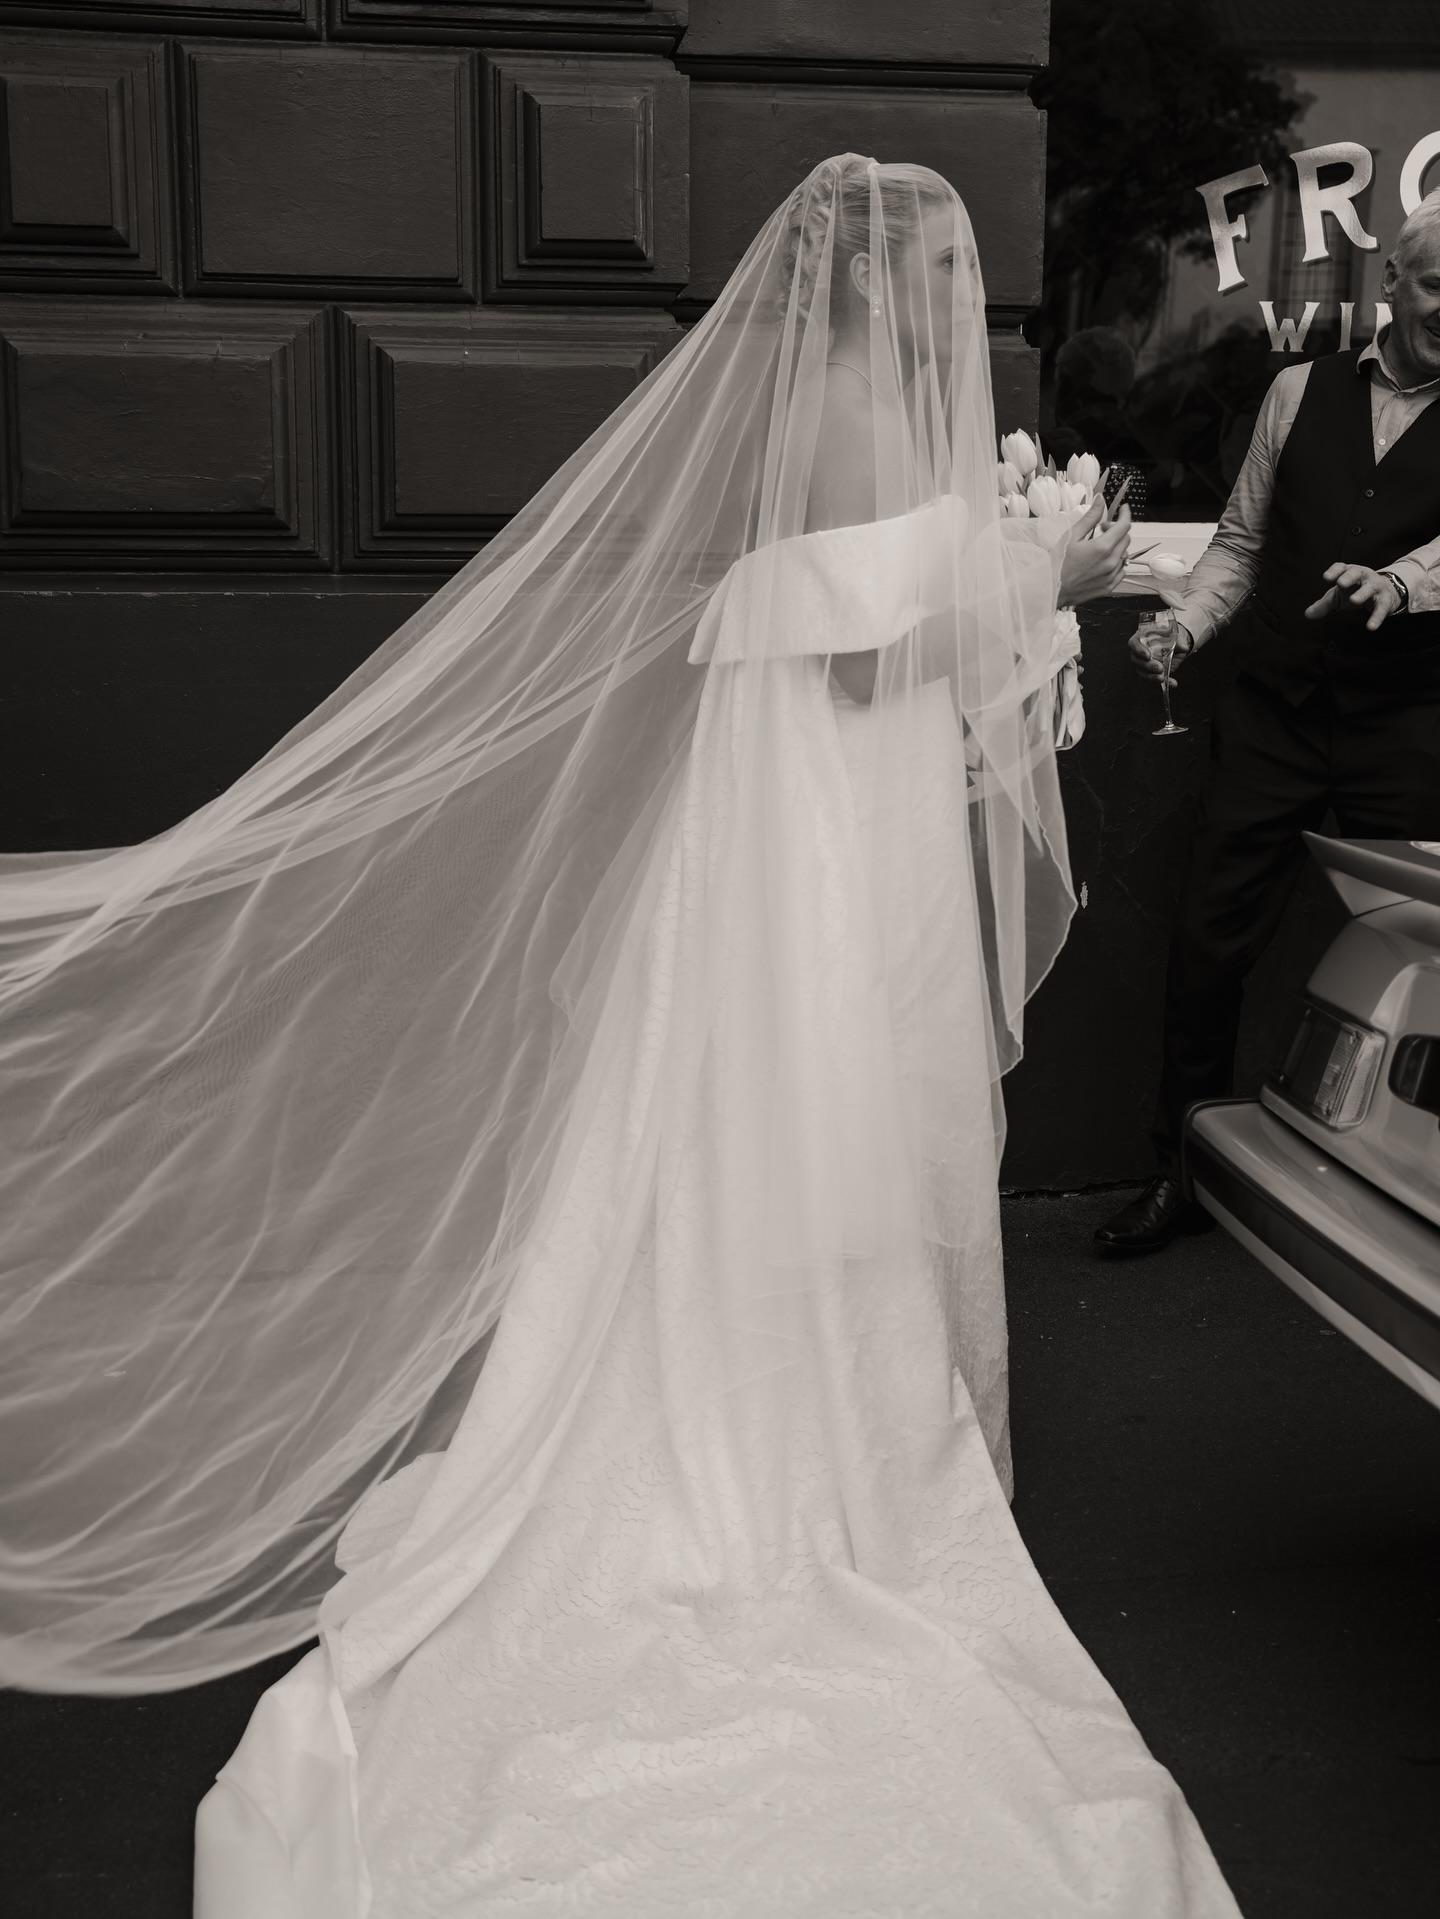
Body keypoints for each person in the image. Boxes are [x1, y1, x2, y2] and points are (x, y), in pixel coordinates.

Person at [0, 158, 1236, 1914]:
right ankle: (807, 1454)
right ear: (892, 287)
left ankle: (771, 1394)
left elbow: (849, 637)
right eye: (953, 282)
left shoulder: (811, 406)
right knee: (836, 1160)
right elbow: (888, 662)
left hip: (795, 863)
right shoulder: (856, 415)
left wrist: (1022, 571)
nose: (970, 315)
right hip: (829, 875)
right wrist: (1055, 572)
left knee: (761, 1166)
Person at [1098, 191, 1440, 1256]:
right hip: (1276, 714)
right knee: (1206, 946)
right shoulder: (1299, 391)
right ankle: (1182, 1173)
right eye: (1438, 284)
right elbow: (1240, 546)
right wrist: (1184, 628)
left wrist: (1405, 580)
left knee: (1423, 969)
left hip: (1409, 724)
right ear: (1394, 284)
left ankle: (1409, 1199)